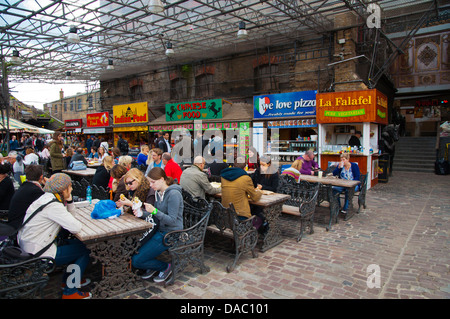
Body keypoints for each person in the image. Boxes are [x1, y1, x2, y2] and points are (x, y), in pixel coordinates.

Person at [17, 173, 91, 299]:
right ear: (63, 189)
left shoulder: (46, 198)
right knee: (85, 250)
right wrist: (69, 203)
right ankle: (70, 292)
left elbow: (70, 220)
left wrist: (70, 200)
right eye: (70, 187)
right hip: (39, 252)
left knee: (77, 244)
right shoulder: (54, 206)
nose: (72, 189)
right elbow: (75, 227)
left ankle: (69, 280)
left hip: (31, 245)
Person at [131, 167, 183, 283]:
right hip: (159, 230)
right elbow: (155, 215)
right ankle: (151, 266)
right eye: (149, 182)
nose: (150, 185)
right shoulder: (158, 193)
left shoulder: (174, 194)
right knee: (134, 249)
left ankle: (165, 267)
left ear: (162, 179)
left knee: (136, 261)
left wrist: (154, 211)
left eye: (153, 182)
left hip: (171, 233)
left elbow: (172, 221)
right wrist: (142, 213)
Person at [8, 164, 46, 231]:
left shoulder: (24, 187)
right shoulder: (36, 191)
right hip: (21, 227)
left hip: (14, 223)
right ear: (41, 177)